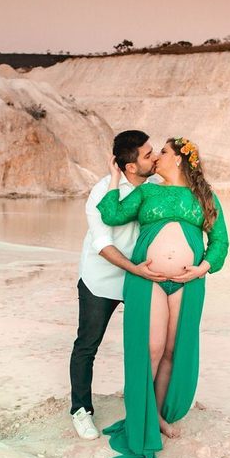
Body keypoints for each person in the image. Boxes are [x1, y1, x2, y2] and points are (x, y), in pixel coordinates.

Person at [94, 136, 229, 458]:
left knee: (172, 350)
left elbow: (220, 242)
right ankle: (146, 420)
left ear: (181, 159)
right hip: (148, 280)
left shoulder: (204, 197)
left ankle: (158, 416)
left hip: (188, 283)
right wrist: (113, 178)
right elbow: (111, 214)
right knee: (151, 350)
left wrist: (203, 267)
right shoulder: (148, 192)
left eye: (164, 153)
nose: (157, 158)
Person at [69, 130, 166, 440]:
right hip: (101, 279)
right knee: (88, 344)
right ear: (131, 167)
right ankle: (81, 411)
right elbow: (102, 244)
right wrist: (134, 268)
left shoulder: (154, 187)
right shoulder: (101, 192)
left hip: (140, 278)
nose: (155, 158)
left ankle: (145, 409)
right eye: (148, 154)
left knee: (149, 345)